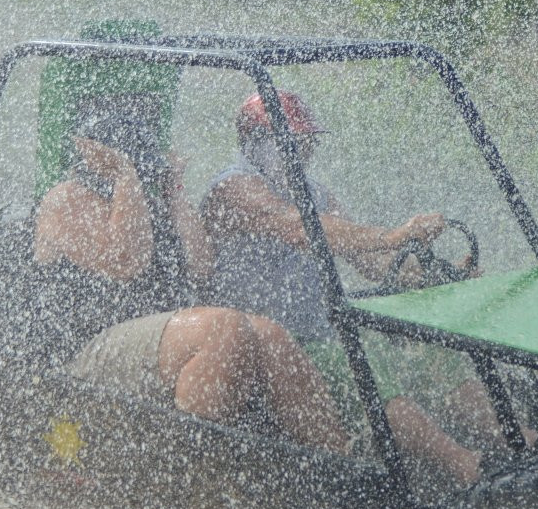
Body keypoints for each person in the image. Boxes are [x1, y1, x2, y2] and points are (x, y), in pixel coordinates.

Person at [198, 91, 512, 484]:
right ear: (258, 142)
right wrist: (395, 234)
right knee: (364, 361)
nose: (308, 150)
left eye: (310, 140)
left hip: (325, 329)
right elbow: (302, 228)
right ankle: (466, 468)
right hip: (276, 342)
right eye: (297, 141)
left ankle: (514, 441)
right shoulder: (232, 188)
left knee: (428, 344)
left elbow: (375, 263)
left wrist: (441, 274)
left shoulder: (315, 191)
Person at [30, 104, 348, 454]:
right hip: (88, 351)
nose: (141, 174)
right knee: (222, 328)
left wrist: (174, 190)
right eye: (132, 165)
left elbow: (202, 264)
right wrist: (125, 177)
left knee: (269, 332)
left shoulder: (144, 204)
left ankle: (337, 456)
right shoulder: (65, 198)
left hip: (154, 341)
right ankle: (190, 465)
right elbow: (124, 260)